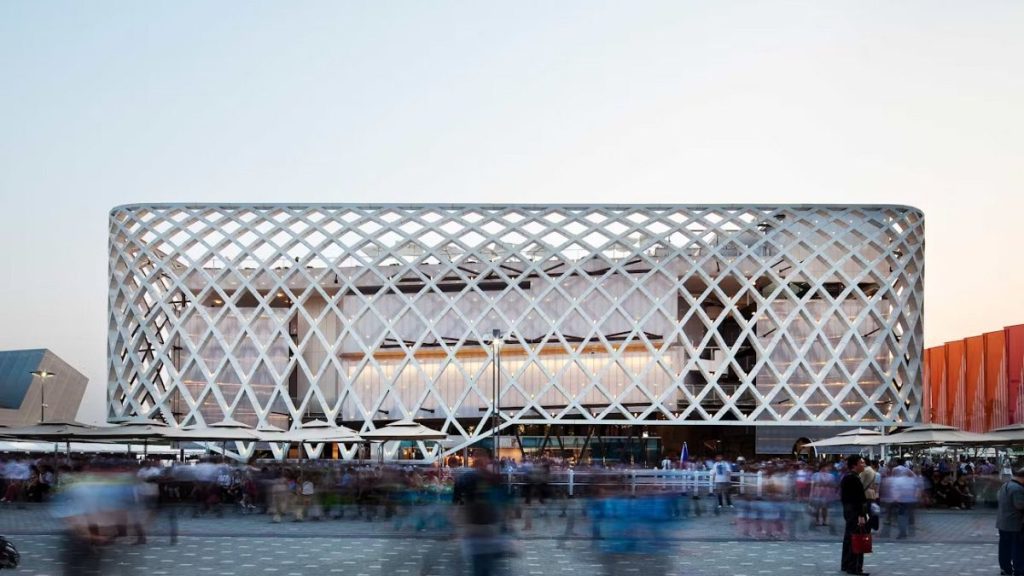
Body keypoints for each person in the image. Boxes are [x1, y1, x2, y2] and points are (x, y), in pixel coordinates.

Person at [840, 455, 869, 576]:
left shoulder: (847, 477)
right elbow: (859, 499)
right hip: (855, 512)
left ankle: (846, 564)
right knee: (856, 538)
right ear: (854, 465)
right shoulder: (854, 479)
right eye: (861, 463)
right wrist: (862, 515)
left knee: (849, 538)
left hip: (849, 511)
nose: (864, 465)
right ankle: (854, 567)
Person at [997, 468, 1024, 576]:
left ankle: (1005, 569)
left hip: (1003, 523)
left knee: (1004, 548)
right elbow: (1020, 505)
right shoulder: (1017, 488)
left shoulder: (1006, 485)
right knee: (1017, 549)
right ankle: (1019, 570)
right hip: (1014, 524)